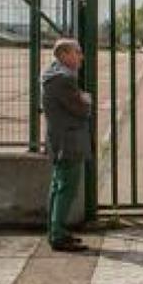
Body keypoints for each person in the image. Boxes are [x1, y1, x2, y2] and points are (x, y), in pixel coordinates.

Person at [41, 38, 92, 253]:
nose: (81, 56)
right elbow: (82, 108)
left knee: (58, 186)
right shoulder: (63, 80)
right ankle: (58, 234)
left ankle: (55, 230)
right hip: (68, 141)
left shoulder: (55, 76)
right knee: (66, 188)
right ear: (63, 55)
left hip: (60, 139)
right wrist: (86, 100)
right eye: (77, 52)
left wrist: (81, 99)